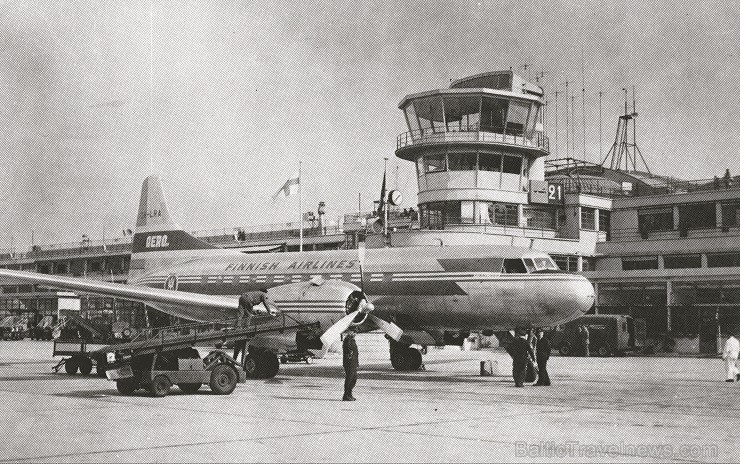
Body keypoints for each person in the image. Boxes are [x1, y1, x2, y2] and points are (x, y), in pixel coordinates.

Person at [233, 289, 272, 363]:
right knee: (248, 315)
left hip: (242, 297)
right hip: (249, 300)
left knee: (240, 313)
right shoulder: (263, 294)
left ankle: (238, 326)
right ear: (265, 292)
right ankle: (247, 327)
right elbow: (265, 303)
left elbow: (248, 304)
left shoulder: (254, 292)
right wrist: (269, 311)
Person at [342, 329, 359, 401]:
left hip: (353, 362)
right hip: (349, 362)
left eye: (355, 332)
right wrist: (349, 354)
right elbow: (348, 349)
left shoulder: (351, 339)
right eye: (353, 332)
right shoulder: (348, 339)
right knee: (349, 378)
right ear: (349, 332)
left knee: (354, 378)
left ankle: (349, 394)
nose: (355, 333)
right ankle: (346, 395)